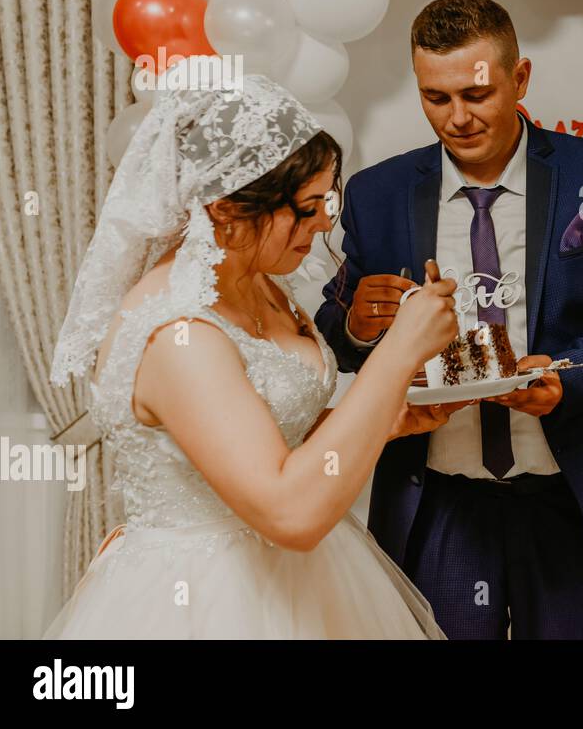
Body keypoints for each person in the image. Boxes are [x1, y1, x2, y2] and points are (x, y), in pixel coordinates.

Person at [315, 0, 583, 639]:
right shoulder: (376, 194)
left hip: (580, 498)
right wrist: (355, 324)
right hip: (439, 501)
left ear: (519, 78)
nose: (458, 118)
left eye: (477, 93)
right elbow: (338, 333)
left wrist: (574, 374)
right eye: (437, 98)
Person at [45, 73, 461, 638]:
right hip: (205, 597)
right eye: (308, 206)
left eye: (328, 202)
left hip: (310, 582)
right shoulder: (179, 333)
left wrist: (384, 418)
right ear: (226, 208)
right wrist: (398, 352)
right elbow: (290, 513)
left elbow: (266, 438)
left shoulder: (260, 283)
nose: (324, 224)